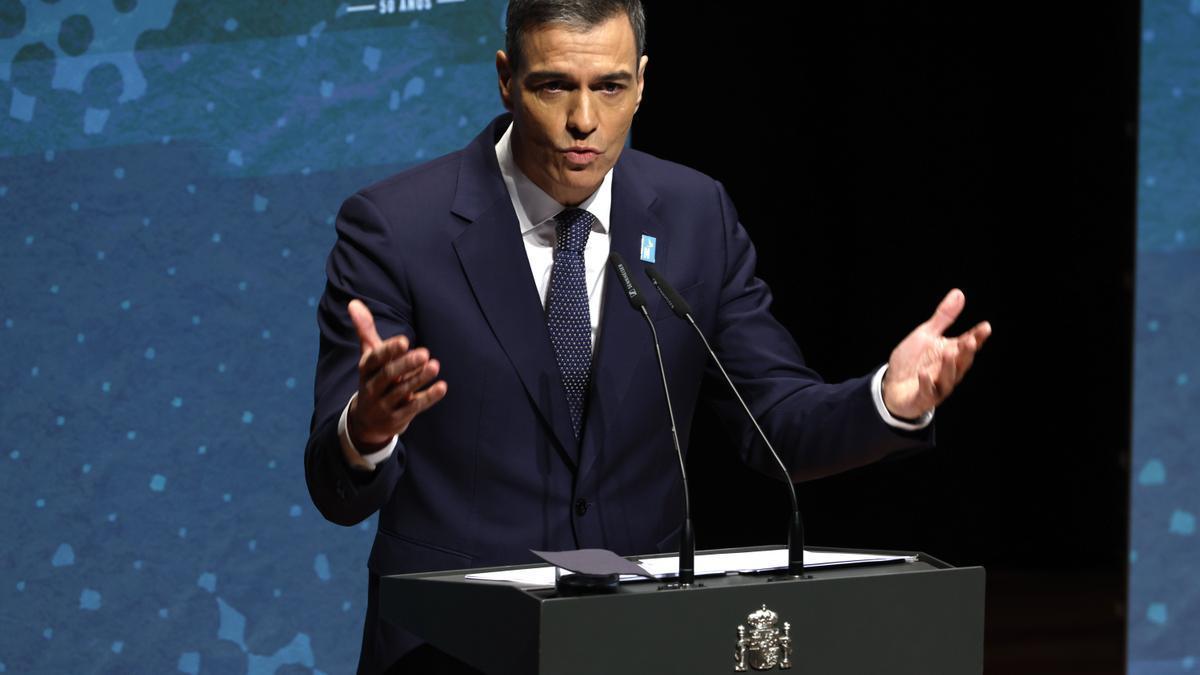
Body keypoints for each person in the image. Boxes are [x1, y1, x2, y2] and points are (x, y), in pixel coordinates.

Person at [303, 1, 992, 672]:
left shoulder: (696, 215)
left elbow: (776, 422)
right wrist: (367, 430)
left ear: (642, 83)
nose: (584, 120)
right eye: (554, 86)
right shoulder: (396, 227)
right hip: (453, 645)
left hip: (642, 639)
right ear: (506, 78)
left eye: (610, 87)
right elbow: (336, 489)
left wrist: (889, 400)